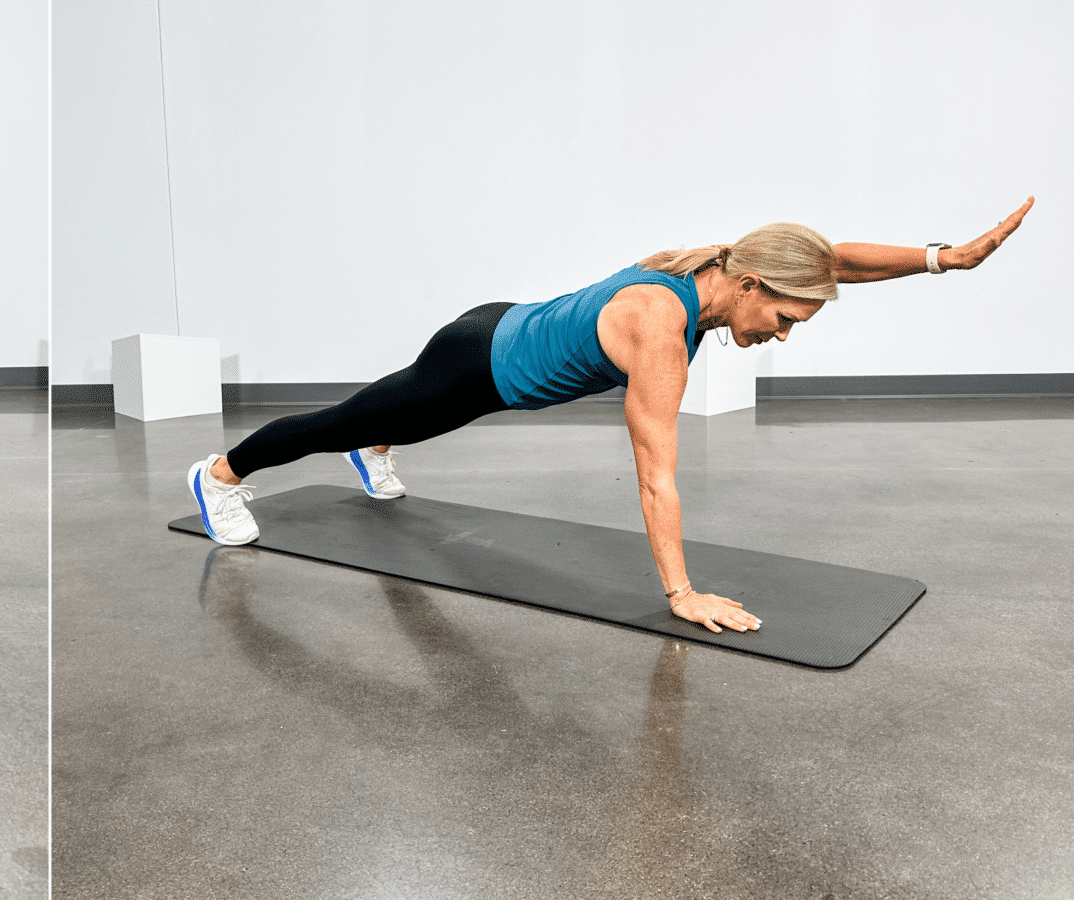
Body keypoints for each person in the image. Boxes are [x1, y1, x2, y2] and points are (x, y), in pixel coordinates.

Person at [187, 198, 1035, 633]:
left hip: (504, 325)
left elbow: (827, 260)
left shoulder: (721, 266)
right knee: (340, 420)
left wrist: (941, 261)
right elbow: (656, 470)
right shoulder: (662, 328)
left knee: (406, 421)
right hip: (476, 362)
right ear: (748, 290)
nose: (780, 336)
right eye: (782, 321)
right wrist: (680, 590)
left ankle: (379, 442)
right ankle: (220, 474)